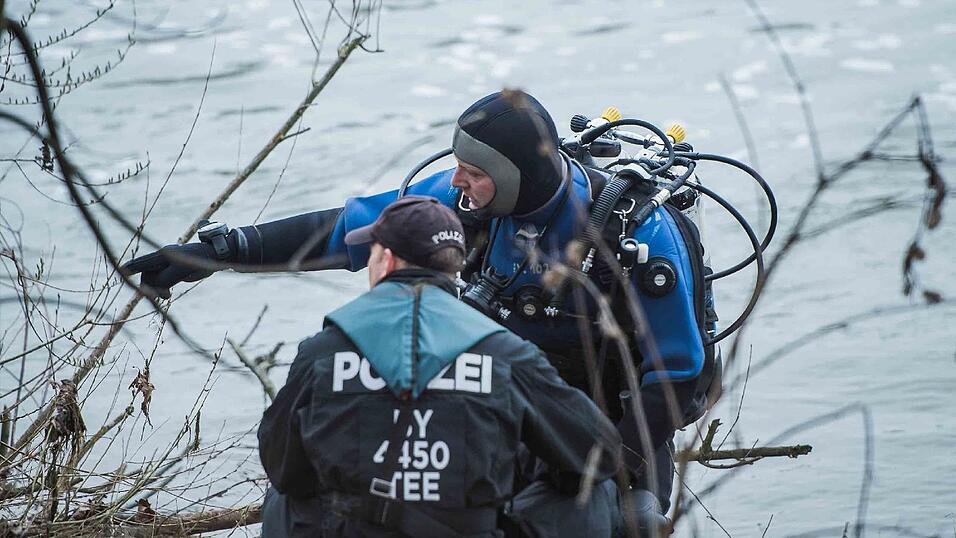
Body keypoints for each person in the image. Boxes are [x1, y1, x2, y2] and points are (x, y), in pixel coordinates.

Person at [124, 89, 717, 534]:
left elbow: (676, 373)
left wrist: (614, 469)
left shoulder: (636, 235)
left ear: (516, 177)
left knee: (616, 515)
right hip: (501, 395)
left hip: (610, 413)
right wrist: (217, 253)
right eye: (460, 165)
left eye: (476, 172)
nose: (458, 179)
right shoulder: (468, 199)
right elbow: (341, 232)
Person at [256, 196, 622, 537]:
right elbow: (599, 453)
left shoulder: (323, 352)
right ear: (454, 268)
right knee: (594, 492)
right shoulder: (505, 352)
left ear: (385, 260)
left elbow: (283, 467)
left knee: (281, 499)